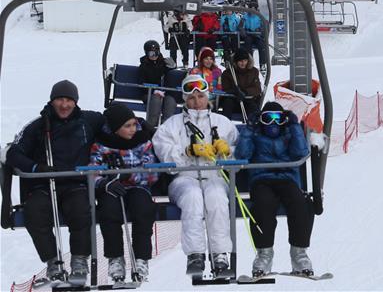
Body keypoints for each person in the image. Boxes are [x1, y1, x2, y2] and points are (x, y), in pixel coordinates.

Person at [5, 81, 104, 284]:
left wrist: (142, 127)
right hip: (44, 184)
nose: (64, 105)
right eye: (60, 99)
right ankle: (53, 263)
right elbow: (14, 153)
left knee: (80, 210)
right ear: (52, 101)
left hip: (74, 183)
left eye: (69, 100)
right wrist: (36, 168)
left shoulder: (88, 121)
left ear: (76, 102)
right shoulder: (38, 126)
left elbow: (116, 121)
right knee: (35, 212)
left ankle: (78, 261)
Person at [152, 75, 238, 275]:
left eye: (200, 97)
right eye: (191, 98)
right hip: (184, 178)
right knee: (193, 198)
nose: (196, 102)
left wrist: (227, 151)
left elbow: (240, 154)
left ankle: (220, 254)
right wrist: (187, 152)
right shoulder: (172, 125)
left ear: (207, 97)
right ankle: (195, 254)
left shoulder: (222, 123)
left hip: (214, 177)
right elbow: (164, 153)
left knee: (216, 198)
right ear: (184, 100)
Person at [235, 102, 317, 277]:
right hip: (262, 179)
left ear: (283, 120)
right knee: (263, 205)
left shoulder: (289, 132)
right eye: (267, 118)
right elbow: (241, 155)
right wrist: (249, 129)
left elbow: (301, 153)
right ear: (261, 120)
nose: (272, 123)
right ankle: (264, 255)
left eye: (277, 118)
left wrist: (294, 126)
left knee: (300, 204)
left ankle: (299, 254)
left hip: (287, 178)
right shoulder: (255, 133)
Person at [89, 103, 158, 283]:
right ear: (114, 128)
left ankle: (141, 259)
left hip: (138, 187)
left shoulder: (143, 141)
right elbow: (92, 172)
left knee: (143, 209)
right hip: (112, 187)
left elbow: (151, 173)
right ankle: (115, 258)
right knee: (109, 210)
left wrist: (128, 174)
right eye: (127, 126)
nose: (133, 129)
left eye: (134, 124)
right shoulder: (102, 144)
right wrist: (105, 182)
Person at [140, 40, 177, 127]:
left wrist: (173, 66)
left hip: (164, 93)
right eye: (151, 54)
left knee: (170, 101)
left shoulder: (163, 63)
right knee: (156, 100)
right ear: (146, 53)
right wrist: (154, 91)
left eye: (156, 53)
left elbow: (169, 75)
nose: (154, 56)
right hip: (149, 93)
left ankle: (166, 128)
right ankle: (151, 127)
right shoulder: (144, 66)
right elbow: (141, 83)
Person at [220, 49, 263, 118]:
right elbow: (225, 88)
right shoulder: (228, 73)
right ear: (236, 62)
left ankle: (253, 125)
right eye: (240, 61)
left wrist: (245, 91)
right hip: (234, 101)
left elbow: (257, 88)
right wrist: (235, 91)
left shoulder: (253, 71)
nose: (243, 63)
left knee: (253, 107)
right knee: (227, 103)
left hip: (248, 101)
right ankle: (226, 124)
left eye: (245, 60)